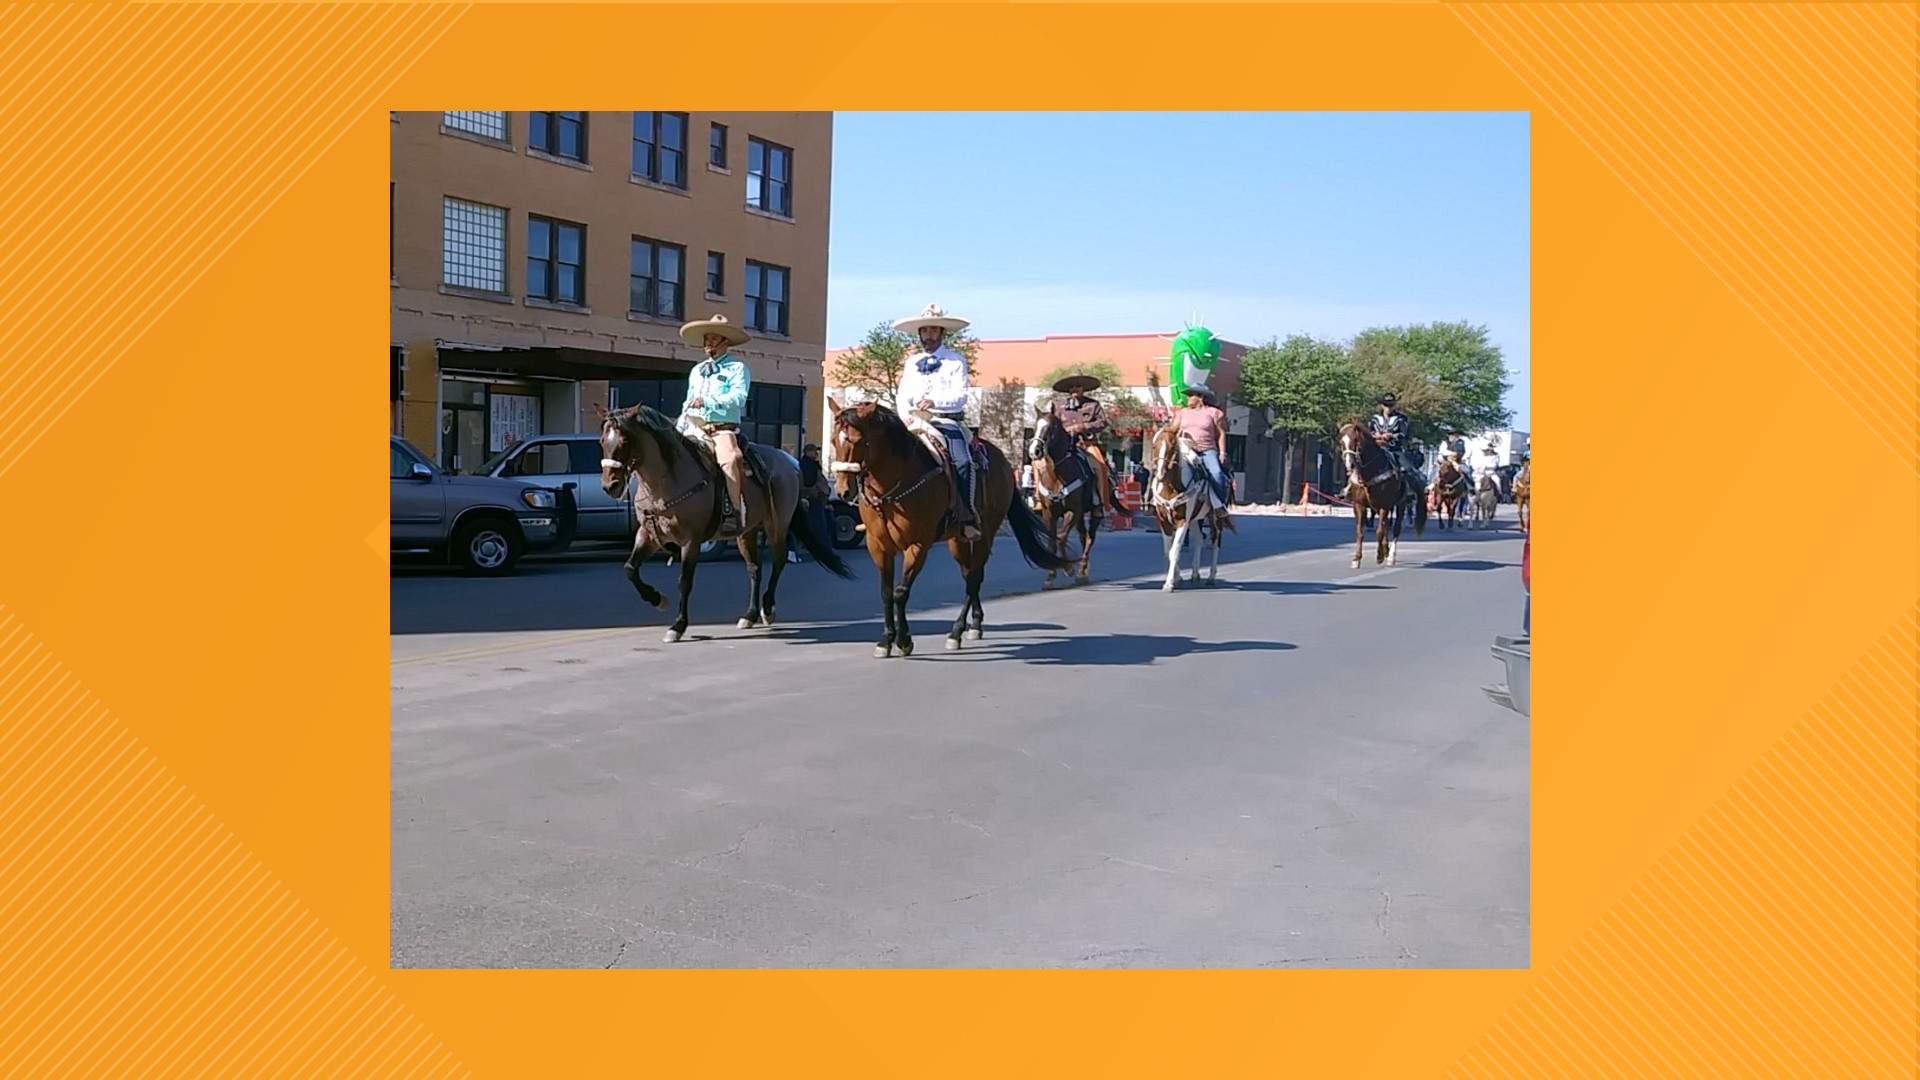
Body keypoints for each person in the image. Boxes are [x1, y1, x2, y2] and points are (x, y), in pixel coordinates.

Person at [892, 303, 981, 541]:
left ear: (942, 333)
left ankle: (966, 516)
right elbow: (902, 394)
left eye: (933, 330)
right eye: (924, 330)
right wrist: (905, 416)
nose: (928, 335)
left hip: (945, 422)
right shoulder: (911, 362)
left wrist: (934, 402)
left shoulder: (955, 361)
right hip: (913, 422)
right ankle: (880, 511)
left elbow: (960, 397)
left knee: (963, 462)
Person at [677, 314, 753, 536]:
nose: (708, 344)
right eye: (706, 339)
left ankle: (734, 512)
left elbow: (739, 398)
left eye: (713, 339)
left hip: (721, 428)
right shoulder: (696, 370)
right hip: (692, 426)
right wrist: (681, 422)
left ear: (725, 343)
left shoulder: (737, 368)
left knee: (731, 460)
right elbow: (688, 399)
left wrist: (708, 401)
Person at [1053, 374, 1118, 513]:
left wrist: (1082, 427)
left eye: (1078, 386)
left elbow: (1102, 422)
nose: (1074, 389)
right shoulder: (1059, 406)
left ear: (1083, 388)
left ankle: (1099, 502)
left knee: (1100, 467)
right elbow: (1053, 423)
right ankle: (1040, 499)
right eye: (1071, 387)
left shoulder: (1093, 405)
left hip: (1086, 444)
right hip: (1063, 446)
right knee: (1040, 463)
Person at [1175, 387, 1231, 506]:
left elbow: (1220, 433)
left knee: (1217, 474)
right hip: (1186, 450)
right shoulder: (1182, 413)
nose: (1188, 398)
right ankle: (1156, 502)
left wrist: (1222, 453)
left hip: (1207, 450)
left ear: (1200, 397)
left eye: (1191, 395)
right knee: (1167, 470)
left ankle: (1220, 505)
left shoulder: (1214, 413)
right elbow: (1173, 429)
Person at [1363, 393, 1425, 502]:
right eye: (1386, 405)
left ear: (1394, 405)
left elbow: (1404, 434)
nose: (1388, 408)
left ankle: (1410, 491)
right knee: (1359, 464)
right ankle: (1349, 488)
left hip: (1394, 449)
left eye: (1391, 405)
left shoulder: (1401, 419)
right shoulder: (1374, 419)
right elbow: (1368, 432)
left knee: (1408, 469)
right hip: (1376, 449)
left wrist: (1391, 435)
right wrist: (1374, 435)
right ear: (1382, 406)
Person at [796, 443, 831, 561]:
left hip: (812, 498)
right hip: (813, 499)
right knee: (818, 524)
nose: (816, 453)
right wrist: (818, 492)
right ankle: (823, 549)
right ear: (807, 452)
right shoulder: (808, 465)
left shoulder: (807, 464)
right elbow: (809, 482)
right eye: (813, 451)